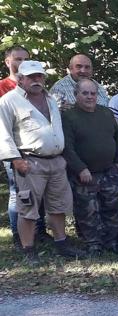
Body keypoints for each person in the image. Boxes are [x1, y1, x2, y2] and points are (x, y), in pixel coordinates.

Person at [0, 60, 84, 264]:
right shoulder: (9, 101)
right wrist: (16, 160)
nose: (36, 80)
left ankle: (61, 244)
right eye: (31, 77)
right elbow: (3, 133)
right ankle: (29, 250)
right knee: (27, 208)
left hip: (56, 161)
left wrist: (63, 157)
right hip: (30, 162)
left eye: (39, 76)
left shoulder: (50, 99)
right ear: (20, 79)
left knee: (58, 206)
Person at [62, 79, 118, 255]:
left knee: (112, 208)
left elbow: (117, 137)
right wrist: (80, 168)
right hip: (85, 173)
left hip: (109, 170)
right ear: (76, 95)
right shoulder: (68, 116)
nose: (90, 97)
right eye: (85, 93)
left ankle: (111, 242)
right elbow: (67, 147)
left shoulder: (105, 113)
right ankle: (93, 244)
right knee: (87, 210)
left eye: (93, 93)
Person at [0, 46, 30, 248]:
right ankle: (18, 236)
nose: (21, 63)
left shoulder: (32, 85)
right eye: (17, 59)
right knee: (17, 192)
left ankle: (38, 231)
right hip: (13, 149)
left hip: (33, 149)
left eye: (25, 59)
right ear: (7, 62)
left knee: (34, 192)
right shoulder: (3, 87)